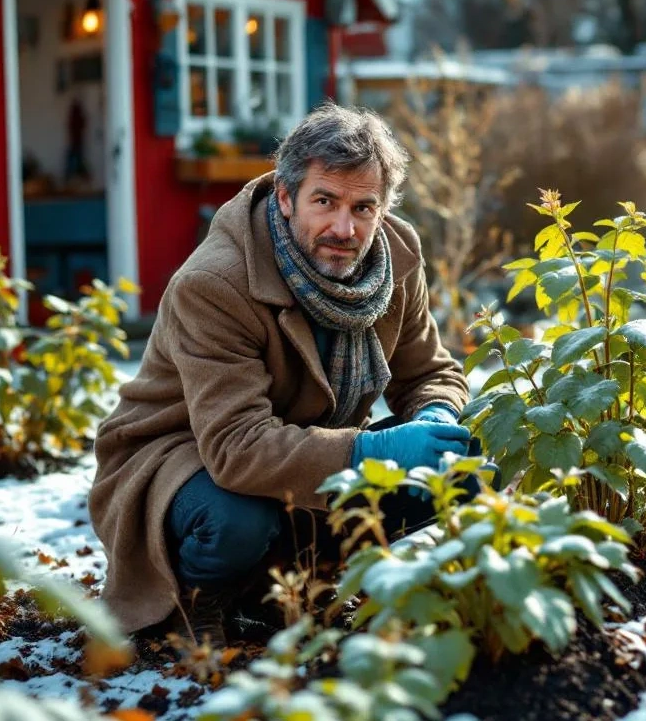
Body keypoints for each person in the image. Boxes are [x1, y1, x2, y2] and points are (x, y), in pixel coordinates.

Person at [88, 104, 471, 647]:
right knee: (238, 520)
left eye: (364, 207)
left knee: (461, 470)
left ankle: (284, 582)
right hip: (181, 454)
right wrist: (373, 454)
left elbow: (430, 370)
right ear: (287, 198)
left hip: (295, 447)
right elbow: (237, 448)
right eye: (325, 201)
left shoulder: (396, 256)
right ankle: (198, 602)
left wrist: (433, 417)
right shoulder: (216, 283)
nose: (345, 227)